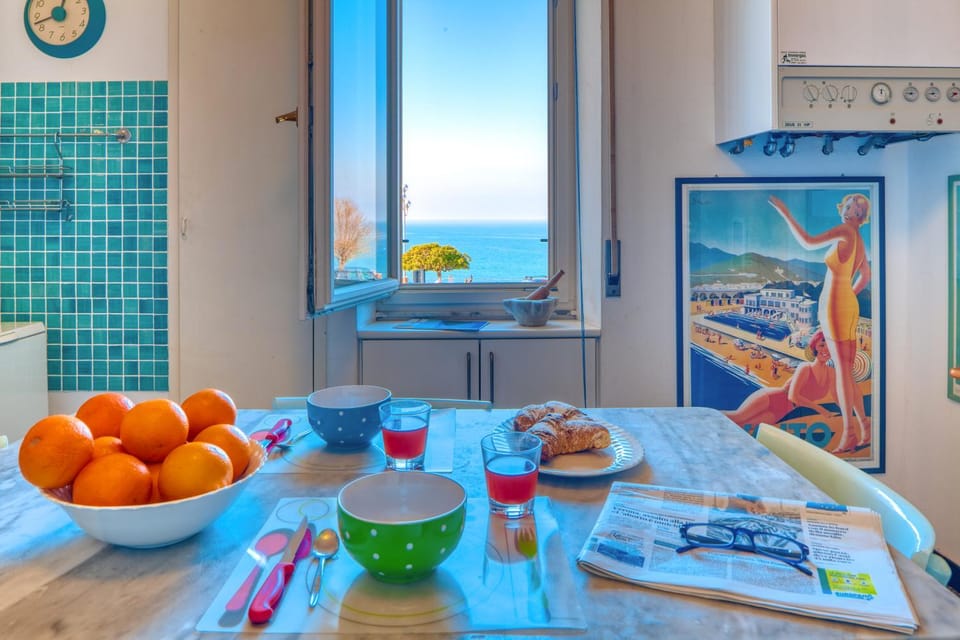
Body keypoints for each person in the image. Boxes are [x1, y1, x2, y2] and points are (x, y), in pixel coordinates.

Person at [769, 193, 872, 453]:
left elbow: (807, 241)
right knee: (847, 372)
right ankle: (864, 427)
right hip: (846, 303)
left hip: (835, 304)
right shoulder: (859, 240)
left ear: (853, 213)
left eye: (850, 206)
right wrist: (849, 296)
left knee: (841, 372)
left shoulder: (846, 231)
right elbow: (866, 276)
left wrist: (785, 212)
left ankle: (849, 433)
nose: (846, 209)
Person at [723, 330, 837, 428]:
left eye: (829, 347)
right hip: (773, 398)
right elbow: (793, 396)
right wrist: (821, 410)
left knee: (744, 426)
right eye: (822, 345)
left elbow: (836, 396)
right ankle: (705, 419)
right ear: (815, 347)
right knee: (737, 417)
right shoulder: (805, 367)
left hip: (783, 412)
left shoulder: (831, 372)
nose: (825, 350)